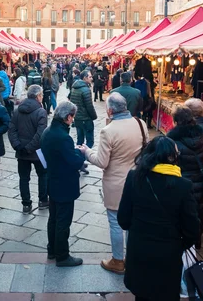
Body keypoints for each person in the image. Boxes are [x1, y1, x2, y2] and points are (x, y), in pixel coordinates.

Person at [118, 136, 200, 300]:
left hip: (139, 250)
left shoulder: (134, 178)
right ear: (174, 158)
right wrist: (178, 243)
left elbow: (123, 219)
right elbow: (192, 229)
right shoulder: (183, 186)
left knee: (142, 294)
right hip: (168, 255)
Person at [78, 93, 149, 274]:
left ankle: (118, 260)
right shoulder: (141, 124)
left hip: (116, 184)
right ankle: (133, 258)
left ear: (110, 110)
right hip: (137, 179)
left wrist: (87, 152)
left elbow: (102, 162)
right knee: (133, 222)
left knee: (116, 222)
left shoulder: (109, 131)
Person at [41, 101, 86, 267]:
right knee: (63, 221)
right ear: (68, 117)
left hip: (53, 181)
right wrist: (81, 154)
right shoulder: (63, 137)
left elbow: (59, 154)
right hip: (64, 184)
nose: (73, 120)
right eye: (72, 116)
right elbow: (74, 162)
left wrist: (72, 151)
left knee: (53, 218)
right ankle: (62, 255)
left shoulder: (48, 131)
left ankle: (52, 249)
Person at [166, 106, 203, 248]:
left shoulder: (171, 141)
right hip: (200, 184)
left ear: (176, 121)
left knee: (180, 213)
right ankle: (196, 240)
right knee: (199, 212)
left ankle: (181, 242)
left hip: (179, 182)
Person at [8, 84, 49, 213]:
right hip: (38, 151)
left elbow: (12, 130)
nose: (42, 97)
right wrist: (29, 147)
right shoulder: (41, 111)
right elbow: (41, 134)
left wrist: (17, 145)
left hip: (21, 151)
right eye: (41, 95)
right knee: (43, 175)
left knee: (24, 178)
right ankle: (43, 200)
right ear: (38, 96)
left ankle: (26, 204)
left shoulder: (17, 110)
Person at [69, 70, 97, 174]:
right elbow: (89, 106)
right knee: (89, 141)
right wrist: (94, 116)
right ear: (85, 78)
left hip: (78, 118)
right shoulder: (85, 89)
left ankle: (78, 160)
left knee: (80, 140)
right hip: (86, 118)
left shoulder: (74, 86)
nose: (91, 78)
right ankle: (80, 162)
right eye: (89, 77)